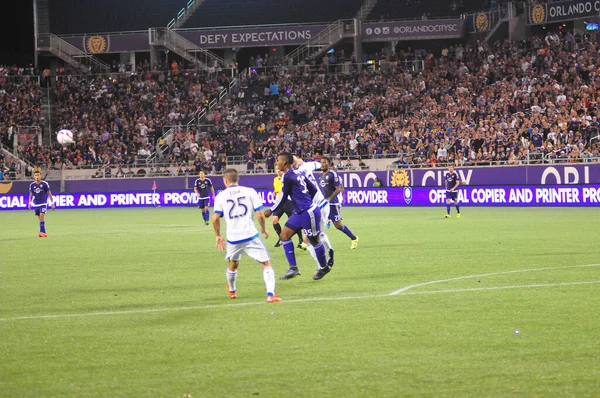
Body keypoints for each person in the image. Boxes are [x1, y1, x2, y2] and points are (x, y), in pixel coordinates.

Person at [212, 168, 282, 303]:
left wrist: (218, 235)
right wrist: (263, 228)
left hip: (233, 238)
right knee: (265, 264)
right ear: (238, 179)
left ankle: (232, 291)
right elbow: (260, 214)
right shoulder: (250, 192)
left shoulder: (221, 196)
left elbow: (215, 218)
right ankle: (271, 295)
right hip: (250, 235)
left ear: (225, 181)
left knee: (233, 264)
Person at [267, 152, 330, 281]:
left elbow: (283, 197)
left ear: (284, 163)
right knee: (284, 236)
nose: (277, 163)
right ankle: (293, 268)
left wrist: (271, 210)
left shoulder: (287, 176)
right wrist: (304, 201)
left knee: (313, 240)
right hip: (299, 212)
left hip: (308, 212)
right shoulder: (299, 173)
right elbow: (313, 189)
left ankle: (324, 267)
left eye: (278, 160)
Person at [319, 157, 359, 249]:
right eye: (321, 162)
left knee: (338, 225)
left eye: (324, 162)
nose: (322, 164)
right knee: (316, 222)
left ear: (329, 164)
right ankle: (310, 243)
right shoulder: (320, 175)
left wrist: (329, 199)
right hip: (323, 204)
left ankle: (354, 238)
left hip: (333, 203)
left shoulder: (332, 174)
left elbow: (338, 188)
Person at [270, 167, 307, 250]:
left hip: (288, 202)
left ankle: (300, 239)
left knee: (294, 221)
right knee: (274, 220)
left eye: (279, 169)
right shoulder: (275, 179)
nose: (278, 170)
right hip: (279, 203)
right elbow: (277, 189)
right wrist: (275, 192)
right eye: (276, 169)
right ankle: (281, 238)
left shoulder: (287, 178)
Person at [28, 170, 55, 238]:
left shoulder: (44, 184)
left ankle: (42, 233)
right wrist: (30, 202)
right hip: (36, 204)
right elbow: (31, 195)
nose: (37, 176)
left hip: (43, 203)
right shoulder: (32, 185)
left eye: (38, 175)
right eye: (36, 175)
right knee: (40, 219)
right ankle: (43, 232)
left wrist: (52, 203)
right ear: (34, 177)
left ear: (40, 176)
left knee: (42, 215)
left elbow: (49, 193)